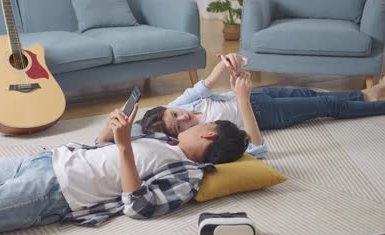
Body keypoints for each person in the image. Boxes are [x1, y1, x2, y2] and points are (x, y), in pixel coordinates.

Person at [0, 104, 248, 235]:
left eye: (202, 122)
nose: (190, 121)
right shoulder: (166, 141)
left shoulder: (188, 174)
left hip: (54, 192)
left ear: (209, 133)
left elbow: (139, 205)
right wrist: (110, 133)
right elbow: (104, 156)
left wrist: (123, 145)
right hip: (46, 159)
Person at [119, 53, 385, 159]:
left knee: (308, 91)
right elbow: (256, 150)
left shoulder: (174, 106)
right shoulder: (202, 137)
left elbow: (208, 82)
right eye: (180, 123)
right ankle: (374, 101)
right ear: (178, 134)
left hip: (254, 94)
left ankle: (364, 93)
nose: (184, 116)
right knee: (325, 105)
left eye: (177, 113)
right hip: (262, 113)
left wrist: (227, 63)